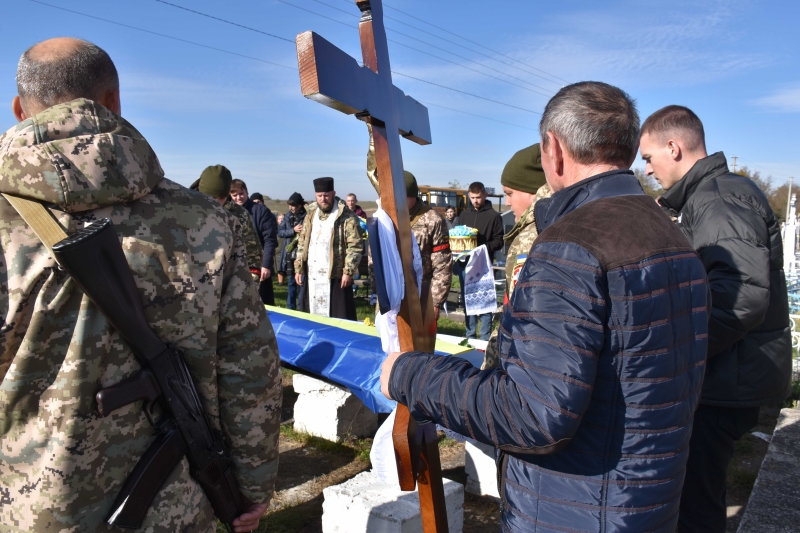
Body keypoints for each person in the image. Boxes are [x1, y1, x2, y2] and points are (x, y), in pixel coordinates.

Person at [380, 81, 709, 533]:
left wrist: (409, 374)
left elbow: (534, 415)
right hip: (646, 498)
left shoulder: (571, 246)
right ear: (630, 151)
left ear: (553, 150)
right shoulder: (670, 233)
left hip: (575, 507)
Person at [0, 38, 279, 533]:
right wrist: (252, 487)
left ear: (20, 108)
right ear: (114, 102)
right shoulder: (206, 220)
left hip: (28, 511)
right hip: (179, 510)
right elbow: (249, 367)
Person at [640, 105, 792, 533]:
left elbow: (741, 297)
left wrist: (681, 354)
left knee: (696, 502)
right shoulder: (711, 196)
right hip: (730, 371)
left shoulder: (718, 200)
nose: (648, 169)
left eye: (649, 158)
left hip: (727, 376)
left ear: (673, 147)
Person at [482, 143, 551, 369]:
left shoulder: (531, 237)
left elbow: (518, 311)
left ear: (533, 191)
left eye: (510, 193)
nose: (508, 202)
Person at [370, 172, 453, 322]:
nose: (395, 201)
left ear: (413, 195)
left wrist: (435, 302)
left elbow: (443, 264)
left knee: (414, 343)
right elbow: (375, 255)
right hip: (390, 295)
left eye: (401, 197)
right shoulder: (384, 217)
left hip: (419, 295)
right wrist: (378, 290)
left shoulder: (432, 219)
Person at [294, 177, 363, 319]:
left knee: (339, 317)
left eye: (326, 195)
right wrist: (299, 267)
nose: (323, 199)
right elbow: (302, 242)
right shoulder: (310, 215)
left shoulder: (346, 216)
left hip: (336, 275)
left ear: (333, 193)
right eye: (319, 196)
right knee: (311, 317)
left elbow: (354, 246)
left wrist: (348, 271)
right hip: (312, 275)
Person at [191, 165, 264, 283]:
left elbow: (252, 255)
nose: (216, 202)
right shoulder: (184, 209)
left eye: (221, 197)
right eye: (211, 197)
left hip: (225, 285)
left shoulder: (239, 215)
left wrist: (247, 286)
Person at [453, 181, 504, 339]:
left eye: (478, 197)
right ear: (469, 195)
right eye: (473, 197)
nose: (475, 200)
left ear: (485, 195)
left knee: (485, 302)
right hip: (465, 265)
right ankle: (469, 336)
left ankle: (484, 339)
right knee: (468, 300)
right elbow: (458, 235)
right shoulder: (464, 215)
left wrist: (482, 248)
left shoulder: (494, 216)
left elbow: (499, 241)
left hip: (483, 265)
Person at [231, 179, 279, 306]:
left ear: (247, 192)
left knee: (262, 305)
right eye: (234, 195)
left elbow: (270, 239)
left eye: (241, 193)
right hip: (236, 266)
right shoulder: (228, 212)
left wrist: (266, 264)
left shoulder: (261, 211)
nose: (239, 198)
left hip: (259, 265)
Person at [278, 192, 308, 310]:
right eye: (290, 205)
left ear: (300, 205)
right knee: (291, 282)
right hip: (290, 253)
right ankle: (290, 308)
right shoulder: (287, 217)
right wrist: (293, 230)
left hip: (302, 252)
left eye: (294, 205)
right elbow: (280, 232)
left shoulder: (306, 215)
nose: (291, 208)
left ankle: (301, 308)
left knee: (301, 282)